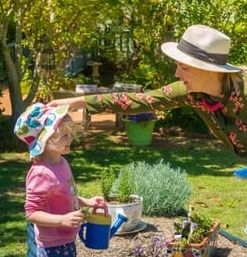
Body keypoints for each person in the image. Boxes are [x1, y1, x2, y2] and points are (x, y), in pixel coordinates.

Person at [48, 24, 247, 157]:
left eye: (184, 68)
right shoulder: (190, 93)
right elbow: (139, 101)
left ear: (208, 70)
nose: (177, 74)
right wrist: (76, 102)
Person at [14, 103, 105, 257]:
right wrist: (61, 220)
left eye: (70, 134)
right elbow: (31, 213)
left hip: (66, 239)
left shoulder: (62, 162)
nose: (70, 139)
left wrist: (86, 202)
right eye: (64, 135)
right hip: (51, 246)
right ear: (44, 139)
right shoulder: (41, 173)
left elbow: (65, 195)